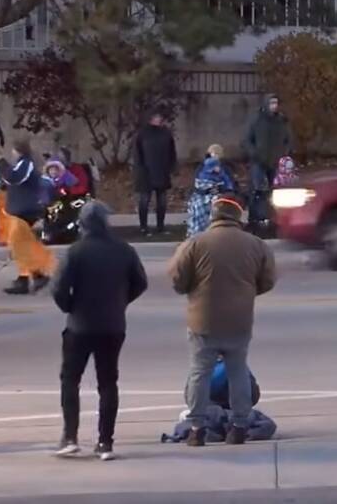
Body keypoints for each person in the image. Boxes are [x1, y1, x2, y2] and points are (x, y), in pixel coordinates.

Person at [167, 195, 276, 447]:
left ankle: (196, 428)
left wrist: (192, 290)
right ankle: (239, 426)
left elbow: (177, 278)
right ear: (238, 216)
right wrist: (247, 292)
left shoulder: (195, 243)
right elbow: (268, 280)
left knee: (199, 373)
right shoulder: (256, 245)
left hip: (202, 320)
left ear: (213, 215)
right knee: (238, 371)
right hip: (239, 320)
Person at [52, 201, 148, 461]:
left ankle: (70, 436)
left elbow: (58, 288)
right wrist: (121, 301)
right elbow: (141, 282)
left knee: (71, 379)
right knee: (108, 382)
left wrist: (70, 306)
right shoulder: (123, 250)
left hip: (80, 324)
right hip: (112, 324)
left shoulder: (76, 251)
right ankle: (106, 441)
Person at [1, 139, 53, 295]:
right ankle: (30, 277)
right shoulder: (21, 164)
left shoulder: (26, 163)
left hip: (26, 210)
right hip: (21, 209)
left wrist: (2, 165)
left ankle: (32, 277)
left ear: (18, 150)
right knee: (21, 244)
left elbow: (15, 178)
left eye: (13, 150)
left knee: (19, 243)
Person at [243, 95, 293, 225]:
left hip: (276, 160)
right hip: (259, 160)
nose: (274, 106)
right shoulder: (257, 120)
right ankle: (254, 218)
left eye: (276, 103)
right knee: (257, 189)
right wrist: (254, 154)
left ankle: (273, 217)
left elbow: (288, 139)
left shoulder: (281, 120)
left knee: (275, 190)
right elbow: (247, 140)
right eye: (271, 103)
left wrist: (284, 153)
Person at [134, 111, 177, 236]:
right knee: (144, 200)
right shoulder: (143, 134)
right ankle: (143, 227)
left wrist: (171, 167)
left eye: (160, 117)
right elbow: (137, 154)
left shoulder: (166, 133)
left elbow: (171, 151)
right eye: (156, 117)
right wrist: (141, 169)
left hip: (162, 171)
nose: (159, 119)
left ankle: (160, 226)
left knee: (162, 201)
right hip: (145, 173)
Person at [187, 156, 235, 238]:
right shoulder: (203, 175)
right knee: (200, 212)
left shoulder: (221, 174)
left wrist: (221, 188)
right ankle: (198, 232)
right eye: (216, 166)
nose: (218, 168)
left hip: (215, 199)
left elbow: (228, 185)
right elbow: (200, 187)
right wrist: (209, 189)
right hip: (202, 200)